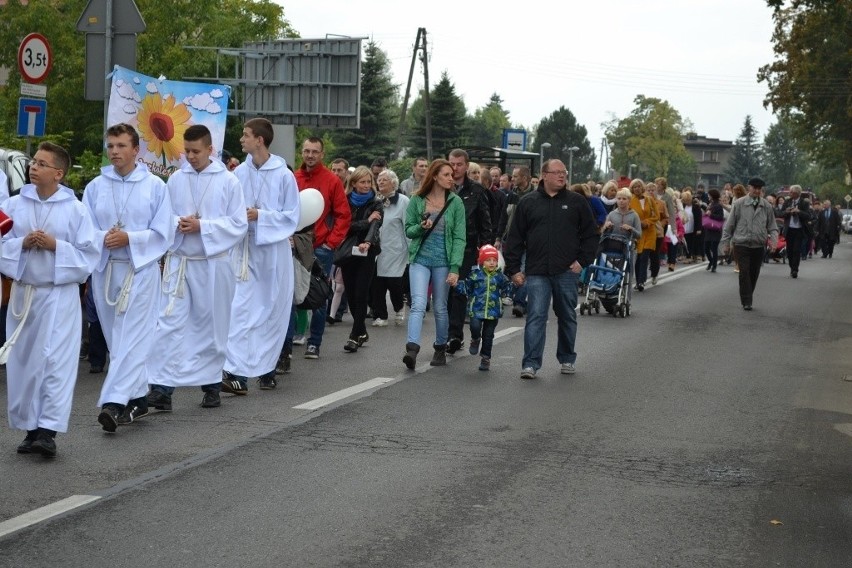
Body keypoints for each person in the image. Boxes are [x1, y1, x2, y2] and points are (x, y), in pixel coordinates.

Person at [0, 142, 100, 457]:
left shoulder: (76, 209)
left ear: (58, 173)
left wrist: (57, 246)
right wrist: (22, 245)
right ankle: (30, 429)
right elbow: (2, 242)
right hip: (24, 294)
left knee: (55, 362)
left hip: (58, 296)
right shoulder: (16, 205)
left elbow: (89, 257)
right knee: (25, 364)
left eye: (42, 164)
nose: (34, 167)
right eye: (34, 163)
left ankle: (48, 431)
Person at [146, 125, 248, 411]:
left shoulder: (228, 182)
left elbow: (238, 224)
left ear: (210, 150)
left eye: (196, 152)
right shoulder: (177, 179)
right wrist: (178, 223)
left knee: (211, 326)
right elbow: (163, 217)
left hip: (213, 265)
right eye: (186, 151)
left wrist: (202, 226)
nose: (190, 157)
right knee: (169, 325)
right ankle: (162, 390)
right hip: (181, 264)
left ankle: (212, 386)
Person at [82, 123, 173, 431]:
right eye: (111, 146)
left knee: (134, 337)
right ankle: (137, 399)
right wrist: (102, 238)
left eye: (121, 146)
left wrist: (130, 239)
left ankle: (113, 402)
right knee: (117, 340)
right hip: (106, 269)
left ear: (136, 150)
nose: (115, 152)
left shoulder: (155, 186)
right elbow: (84, 230)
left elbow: (164, 232)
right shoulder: (96, 186)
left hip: (140, 270)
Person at [221, 118, 300, 394]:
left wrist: (261, 215)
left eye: (245, 135)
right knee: (240, 311)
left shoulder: (283, 174)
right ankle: (236, 373)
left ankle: (266, 368)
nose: (241, 139)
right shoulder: (238, 173)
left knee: (269, 310)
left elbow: (292, 216)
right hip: (244, 251)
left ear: (260, 140)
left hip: (272, 252)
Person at [503, 159, 598, 380]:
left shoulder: (577, 202)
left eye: (564, 173)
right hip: (536, 271)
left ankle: (567, 358)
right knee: (536, 315)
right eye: (556, 173)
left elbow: (591, 235)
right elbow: (515, 238)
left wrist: (582, 261)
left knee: (566, 315)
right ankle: (530, 364)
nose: (562, 176)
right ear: (544, 175)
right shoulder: (528, 202)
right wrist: (514, 269)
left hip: (567, 270)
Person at [401, 159, 466, 369]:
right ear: (435, 176)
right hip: (420, 258)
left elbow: (459, 237)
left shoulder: (456, 203)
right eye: (446, 175)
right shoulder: (417, 200)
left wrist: (455, 267)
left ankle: (440, 348)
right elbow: (409, 230)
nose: (451, 178)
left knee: (440, 306)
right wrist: (421, 227)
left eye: (452, 175)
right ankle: (412, 349)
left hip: (444, 261)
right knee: (418, 304)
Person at [295, 137, 351, 359]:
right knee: (290, 294)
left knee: (318, 294)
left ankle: (314, 342)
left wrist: (331, 243)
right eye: (307, 151)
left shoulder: (331, 180)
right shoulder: (293, 178)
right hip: (294, 246)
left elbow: (343, 215)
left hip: (320, 248)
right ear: (302, 152)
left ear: (322, 154)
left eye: (315, 152)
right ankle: (287, 345)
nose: (310, 155)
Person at [446, 149, 491, 354]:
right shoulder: (440, 186)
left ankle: (455, 335)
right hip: (441, 246)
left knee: (459, 290)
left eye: (459, 164)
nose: (455, 168)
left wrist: (485, 249)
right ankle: (444, 333)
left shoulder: (477, 190)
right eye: (452, 164)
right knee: (442, 292)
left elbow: (485, 223)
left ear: (466, 165)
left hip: (466, 247)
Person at [337, 166, 383, 353]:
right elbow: (345, 226)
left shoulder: (376, 202)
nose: (366, 185)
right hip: (348, 251)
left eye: (368, 182)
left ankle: (354, 336)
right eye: (362, 182)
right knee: (351, 293)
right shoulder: (345, 201)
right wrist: (365, 222)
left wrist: (367, 241)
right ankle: (362, 331)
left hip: (366, 251)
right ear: (353, 183)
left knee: (361, 293)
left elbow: (376, 225)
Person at [720, 177, 778, 311]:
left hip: (758, 244)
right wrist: (726, 243)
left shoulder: (766, 206)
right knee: (744, 271)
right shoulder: (739, 204)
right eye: (754, 188)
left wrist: (773, 241)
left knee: (754, 272)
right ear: (749, 188)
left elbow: (773, 227)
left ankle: (748, 294)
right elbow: (729, 226)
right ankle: (747, 300)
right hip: (741, 243)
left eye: (759, 189)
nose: (757, 191)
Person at [453, 244, 514, 371]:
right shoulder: (475, 275)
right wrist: (456, 284)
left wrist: (509, 293)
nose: (492, 263)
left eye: (494, 260)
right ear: (482, 262)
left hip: (493, 311)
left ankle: (486, 358)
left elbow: (508, 286)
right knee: (475, 326)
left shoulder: (500, 277)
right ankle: (475, 338)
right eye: (488, 260)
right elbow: (466, 288)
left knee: (489, 335)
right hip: (476, 309)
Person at [372, 169, 409, 326]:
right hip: (378, 249)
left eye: (384, 180)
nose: (380, 182)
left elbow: (408, 226)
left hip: (396, 250)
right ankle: (381, 315)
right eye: (379, 179)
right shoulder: (375, 200)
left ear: (393, 183)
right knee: (377, 284)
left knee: (395, 283)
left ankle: (399, 307)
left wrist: (411, 250)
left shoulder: (403, 201)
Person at [629, 178, 658, 291]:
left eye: (639, 186)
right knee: (639, 257)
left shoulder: (650, 200)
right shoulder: (630, 201)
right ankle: (638, 281)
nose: (637, 189)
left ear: (642, 187)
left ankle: (641, 281)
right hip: (638, 232)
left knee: (645, 256)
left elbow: (656, 217)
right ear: (632, 189)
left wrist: (646, 222)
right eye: (634, 187)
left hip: (650, 232)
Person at [780, 184, 811, 278]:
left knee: (796, 250)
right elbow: (781, 213)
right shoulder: (787, 201)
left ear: (797, 193)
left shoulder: (804, 203)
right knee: (789, 250)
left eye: (791, 192)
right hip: (789, 229)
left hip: (799, 230)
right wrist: (787, 211)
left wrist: (799, 212)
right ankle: (791, 267)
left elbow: (808, 215)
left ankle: (795, 270)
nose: (789, 193)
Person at [702, 188, 725, 272]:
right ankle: (711, 261)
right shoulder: (710, 204)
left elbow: (720, 217)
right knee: (706, 248)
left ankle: (714, 265)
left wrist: (711, 215)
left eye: (709, 195)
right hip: (709, 230)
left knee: (714, 248)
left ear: (712, 196)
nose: (708, 196)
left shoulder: (718, 205)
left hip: (716, 230)